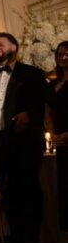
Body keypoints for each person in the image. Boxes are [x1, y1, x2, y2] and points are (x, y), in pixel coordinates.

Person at [0, 32, 47, 243]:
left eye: (1, 44)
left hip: (24, 142)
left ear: (14, 47)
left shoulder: (32, 74)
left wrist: (29, 115)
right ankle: (15, 238)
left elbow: (40, 103)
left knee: (29, 190)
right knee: (8, 192)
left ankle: (31, 241)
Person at [47, 40, 68, 231]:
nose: (63, 57)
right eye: (60, 54)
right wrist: (52, 132)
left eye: (67, 54)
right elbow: (48, 110)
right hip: (60, 140)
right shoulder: (53, 83)